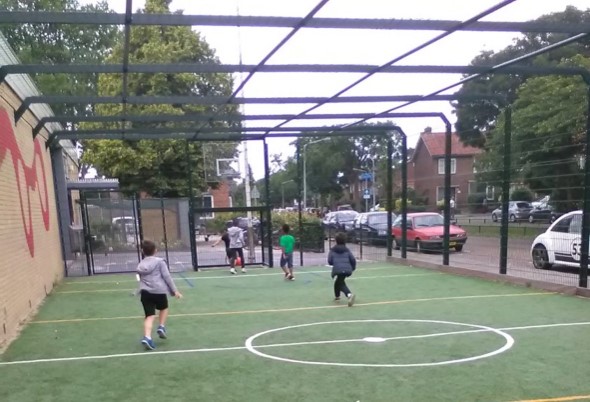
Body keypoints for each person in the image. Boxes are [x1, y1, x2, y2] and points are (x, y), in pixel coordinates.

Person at [136, 239, 183, 350]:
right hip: (159, 291)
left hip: (145, 292)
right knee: (164, 308)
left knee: (149, 316)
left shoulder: (141, 264)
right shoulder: (160, 262)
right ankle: (161, 326)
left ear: (142, 251)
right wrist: (175, 291)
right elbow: (167, 277)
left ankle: (147, 337)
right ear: (155, 250)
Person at [328, 232, 357, 307]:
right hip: (347, 269)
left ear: (336, 240)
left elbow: (330, 261)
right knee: (339, 281)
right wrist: (353, 268)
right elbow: (353, 259)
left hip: (338, 269)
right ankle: (337, 297)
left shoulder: (332, 250)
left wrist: (334, 263)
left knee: (340, 282)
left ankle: (349, 294)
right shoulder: (347, 250)